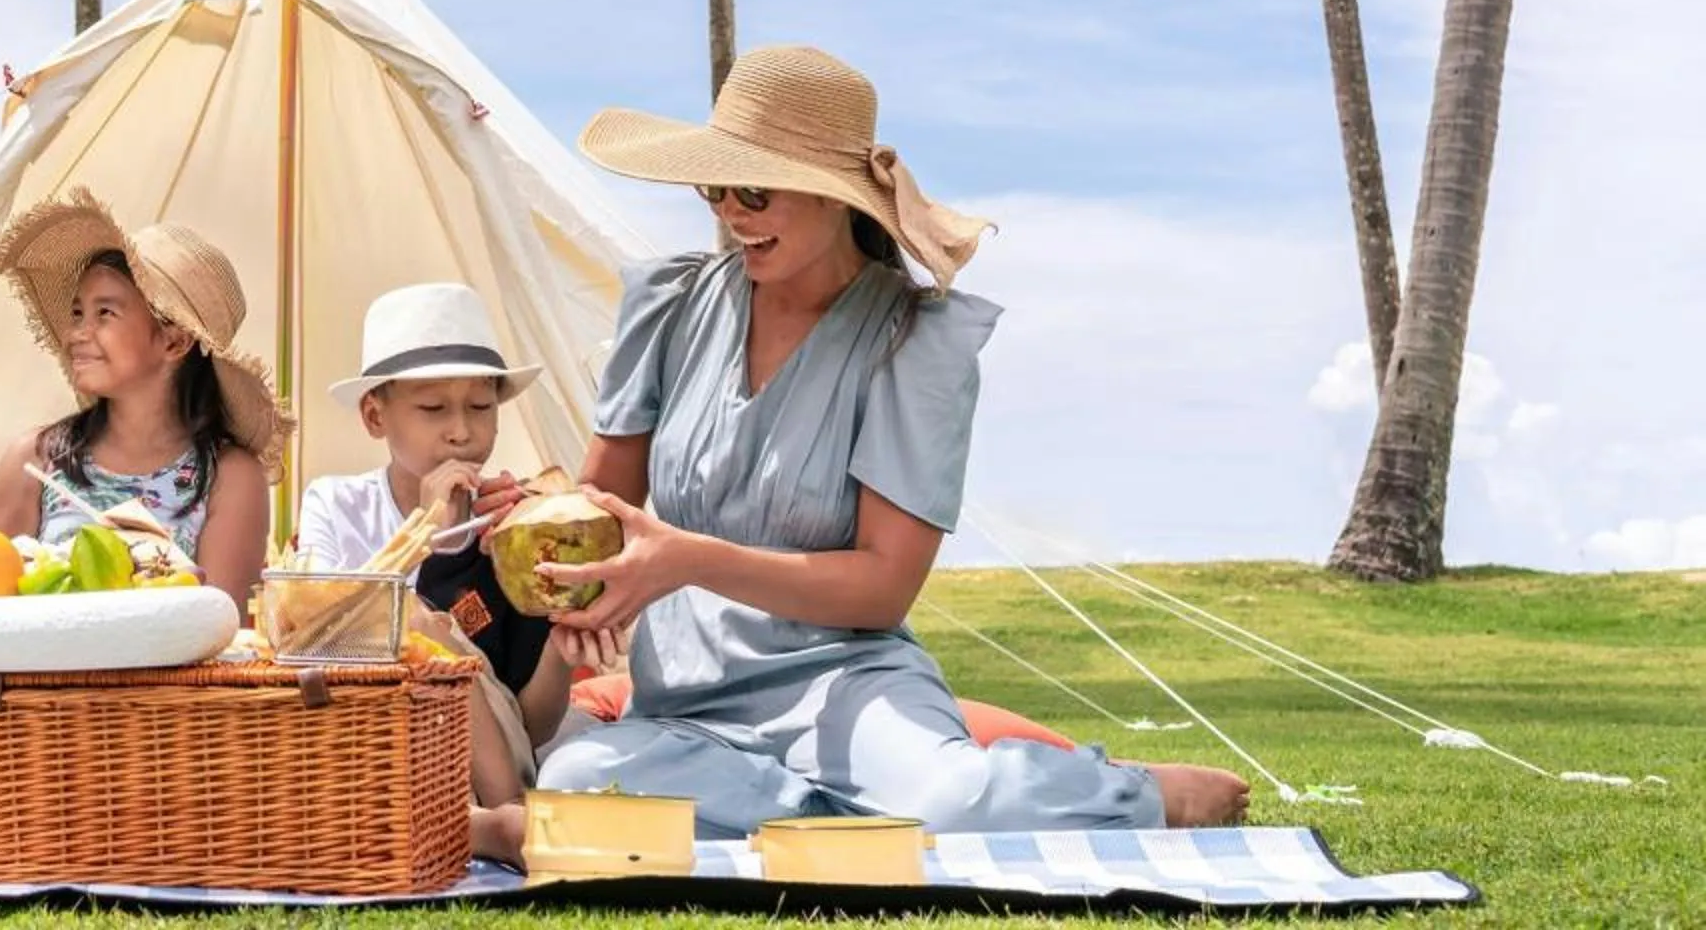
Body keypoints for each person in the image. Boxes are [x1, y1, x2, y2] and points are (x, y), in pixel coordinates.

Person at [530, 44, 1251, 836]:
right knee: (575, 784)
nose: (731, 213)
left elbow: (881, 589)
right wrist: (538, 529)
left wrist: (687, 558)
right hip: (685, 706)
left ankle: (1140, 794)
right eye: (714, 188)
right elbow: (598, 507)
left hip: (847, 688)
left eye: (755, 191)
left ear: (833, 197)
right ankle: (857, 823)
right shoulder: (672, 305)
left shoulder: (913, 342)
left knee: (950, 802)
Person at [295, 282, 626, 864]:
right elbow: (316, 633)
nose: (461, 431)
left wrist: (560, 642)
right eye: (432, 409)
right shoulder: (335, 504)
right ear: (376, 416)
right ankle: (494, 824)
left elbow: (531, 724)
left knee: (431, 632)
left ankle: (496, 817)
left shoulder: (521, 529)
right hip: (361, 731)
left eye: (481, 407)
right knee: (417, 622)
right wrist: (429, 535)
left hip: (487, 746)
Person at [0, 195, 280, 609]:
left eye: (105, 314)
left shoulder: (230, 477)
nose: (77, 334)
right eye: (78, 312)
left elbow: (219, 631)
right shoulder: (35, 459)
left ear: (174, 340)